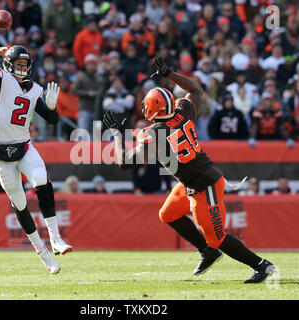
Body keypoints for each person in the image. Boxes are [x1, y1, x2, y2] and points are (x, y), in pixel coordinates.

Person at [103, 56, 276, 284]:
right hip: (191, 181)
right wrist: (169, 73)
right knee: (168, 214)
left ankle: (262, 266)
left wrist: (116, 134)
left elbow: (124, 162)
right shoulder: (183, 109)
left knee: (217, 238)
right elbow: (195, 87)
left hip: (205, 185)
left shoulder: (154, 134)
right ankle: (207, 252)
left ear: (152, 110)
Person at [0, 45, 72, 274]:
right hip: (1, 154)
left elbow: (51, 119)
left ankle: (55, 239)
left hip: (23, 147)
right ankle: (43, 255)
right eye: (19, 64)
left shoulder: (34, 89)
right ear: (8, 63)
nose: (22, 68)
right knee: (20, 204)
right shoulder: (0, 80)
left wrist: (52, 108)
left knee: (42, 180)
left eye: (25, 64)